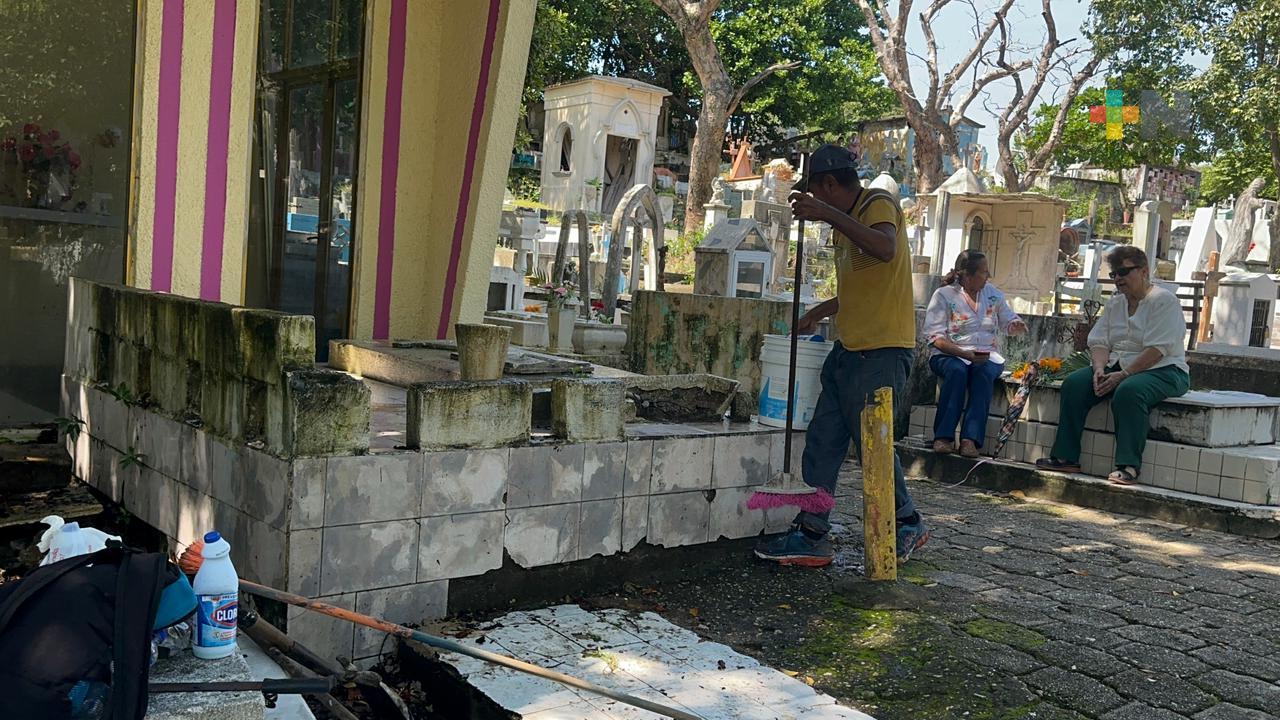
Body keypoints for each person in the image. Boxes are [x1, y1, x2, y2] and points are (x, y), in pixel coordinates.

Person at [755, 144, 929, 567]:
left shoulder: (877, 204)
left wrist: (827, 214)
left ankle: (907, 522)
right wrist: (819, 311)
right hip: (849, 348)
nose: (814, 202)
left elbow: (886, 249)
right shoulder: (847, 224)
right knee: (823, 441)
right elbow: (863, 283)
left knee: (874, 445)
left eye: (815, 192)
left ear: (830, 184)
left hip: (882, 350)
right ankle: (812, 533)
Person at [1036, 246, 1190, 484]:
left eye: (1124, 272)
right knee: (1075, 384)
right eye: (1114, 274)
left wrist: (1123, 375)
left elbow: (1157, 350)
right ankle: (1066, 457)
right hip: (1117, 365)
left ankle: (1129, 466)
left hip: (1164, 369)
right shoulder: (1115, 304)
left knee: (1129, 392)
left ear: (1144, 271)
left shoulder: (1163, 301)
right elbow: (1099, 341)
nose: (1118, 279)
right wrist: (1099, 369)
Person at [924, 250, 1027, 457]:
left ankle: (970, 439)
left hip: (986, 355)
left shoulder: (993, 294)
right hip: (948, 355)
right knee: (957, 371)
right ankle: (943, 437)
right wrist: (964, 354)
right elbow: (935, 338)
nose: (988, 276)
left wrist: (1015, 324)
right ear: (968, 276)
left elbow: (1008, 318)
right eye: (984, 272)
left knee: (983, 373)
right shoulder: (944, 296)